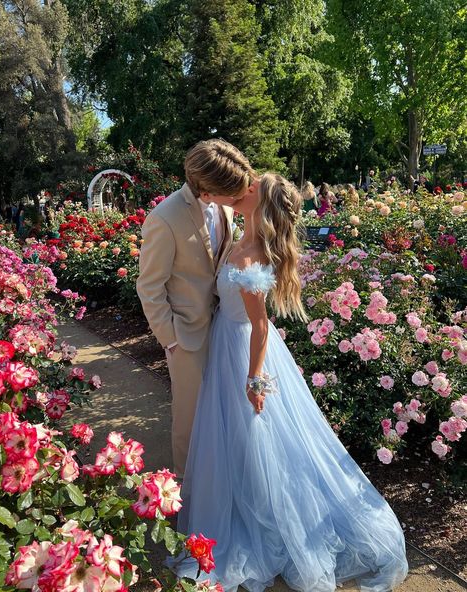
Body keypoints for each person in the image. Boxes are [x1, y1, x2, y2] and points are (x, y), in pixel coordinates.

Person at [173, 173, 409, 592]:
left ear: (260, 204)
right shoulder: (237, 233)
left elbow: (260, 326)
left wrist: (254, 378)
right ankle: (252, 508)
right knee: (242, 440)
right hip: (227, 342)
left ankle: (270, 523)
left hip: (245, 351)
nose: (244, 188)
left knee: (259, 438)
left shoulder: (250, 257)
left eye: (252, 188)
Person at [136, 139, 256, 478]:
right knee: (189, 419)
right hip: (186, 336)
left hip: (226, 327)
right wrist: (170, 339)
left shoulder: (226, 206)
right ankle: (187, 499)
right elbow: (149, 286)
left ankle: (221, 483)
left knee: (224, 412)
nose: (237, 198)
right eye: (231, 194)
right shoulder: (164, 219)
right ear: (206, 191)